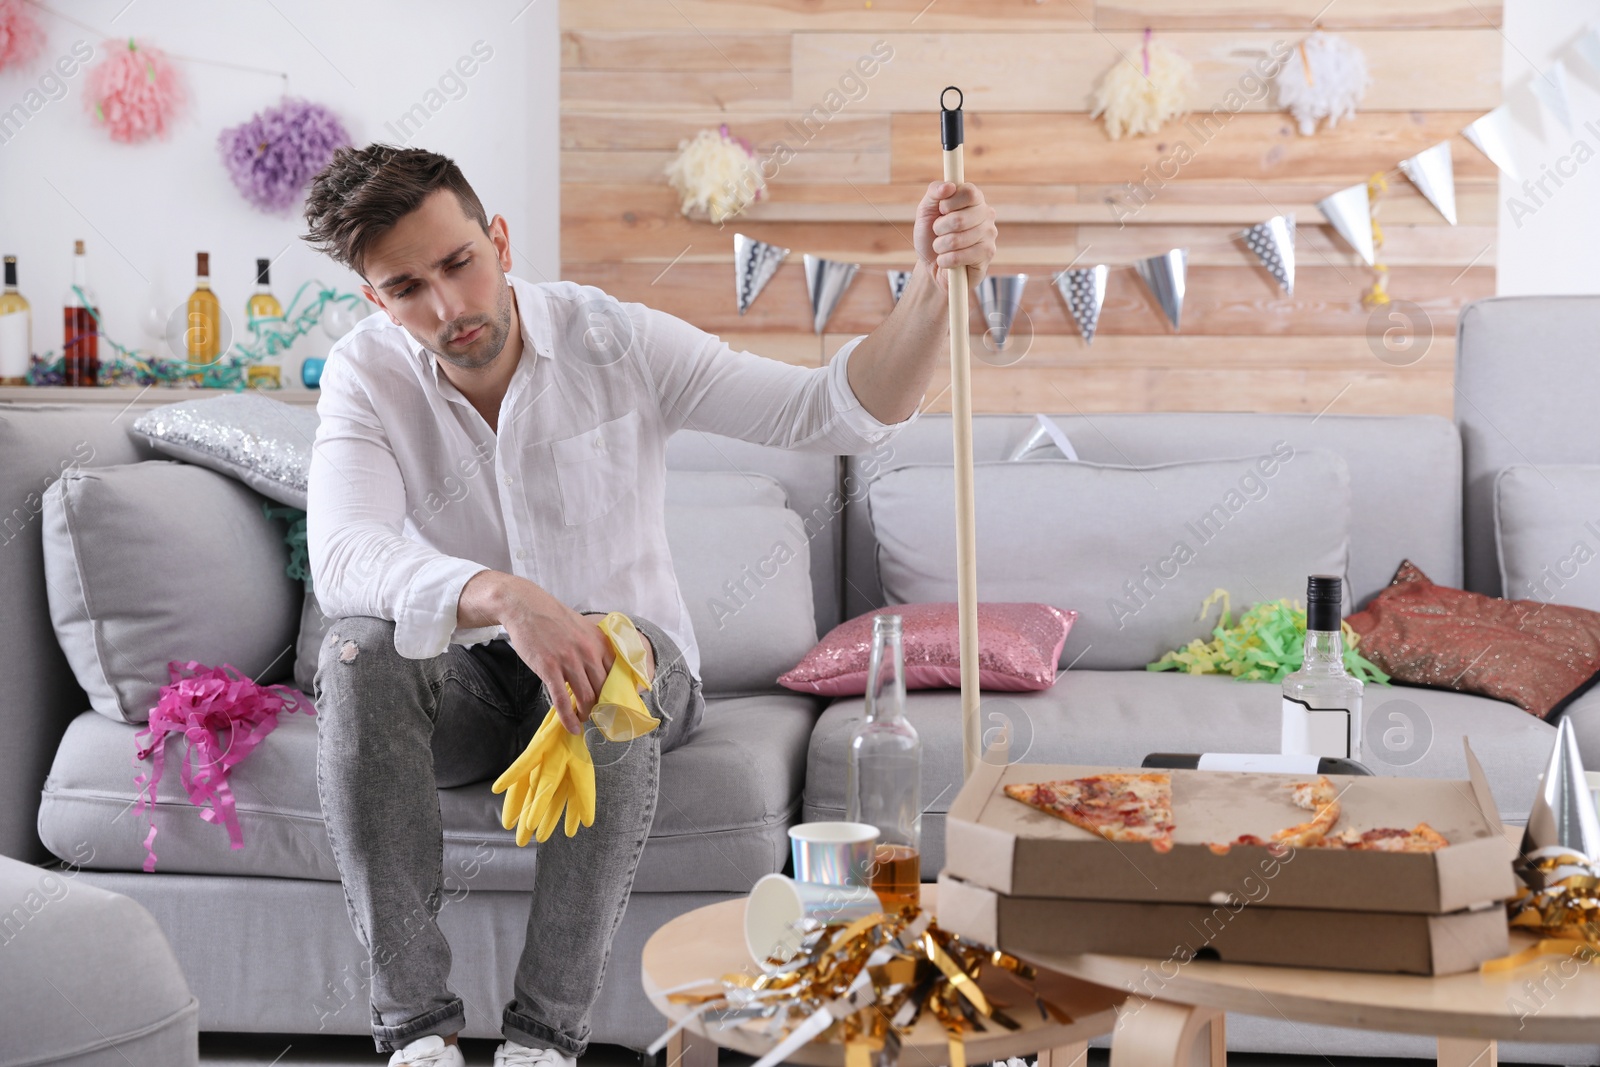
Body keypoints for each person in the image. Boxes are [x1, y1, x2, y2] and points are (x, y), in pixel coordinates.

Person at [299, 143, 997, 1067]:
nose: (449, 309)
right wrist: (505, 597)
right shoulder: (364, 374)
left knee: (609, 651)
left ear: (499, 241)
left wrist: (932, 289)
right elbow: (344, 556)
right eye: (406, 288)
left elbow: (831, 412)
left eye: (460, 264)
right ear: (373, 301)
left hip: (626, 677)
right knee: (357, 650)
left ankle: (543, 1042)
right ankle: (417, 1034)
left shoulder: (611, 337)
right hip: (472, 690)